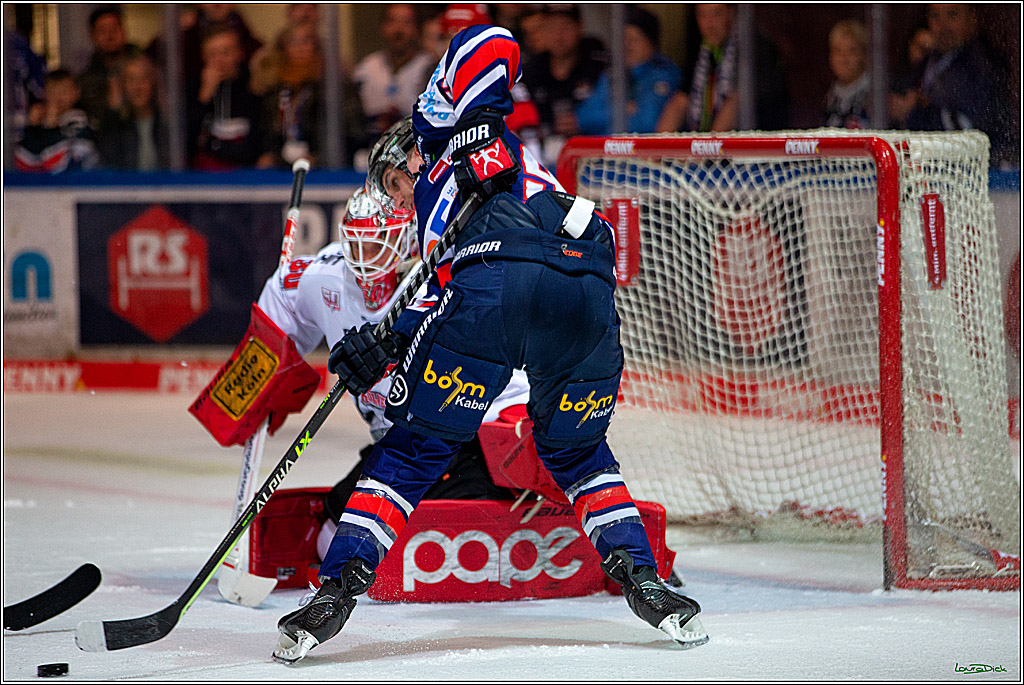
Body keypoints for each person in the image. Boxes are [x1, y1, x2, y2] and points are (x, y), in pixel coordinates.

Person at [272, 21, 707, 664]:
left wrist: (461, 109)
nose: (404, 180)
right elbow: (450, 291)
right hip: (585, 276)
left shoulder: (444, 132)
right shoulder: (450, 205)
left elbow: (493, 40)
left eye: (403, 171)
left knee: (415, 448)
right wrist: (384, 344)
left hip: (506, 279)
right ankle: (643, 578)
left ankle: (337, 589)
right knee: (581, 454)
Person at [655, 3, 789, 133]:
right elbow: (681, 100)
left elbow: (737, 100)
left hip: (755, 143)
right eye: (702, 15)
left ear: (732, 13)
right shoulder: (702, 50)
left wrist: (706, 152)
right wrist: (656, 150)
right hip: (710, 146)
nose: (709, 24)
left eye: (716, 14)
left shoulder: (753, 45)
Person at [900, 4, 1008, 162]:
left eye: (952, 15)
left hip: (981, 170)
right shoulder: (926, 63)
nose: (943, 25)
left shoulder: (982, 64)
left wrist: (914, 111)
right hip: (933, 166)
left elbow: (970, 129)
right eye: (935, 16)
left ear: (971, 18)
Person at [512, 4, 607, 167]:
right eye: (552, 27)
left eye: (566, 27)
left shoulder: (599, 65)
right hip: (541, 159)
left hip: (595, 159)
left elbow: (621, 110)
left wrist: (582, 120)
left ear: (580, 28)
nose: (559, 35)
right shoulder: (528, 71)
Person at [575, 6, 681, 135]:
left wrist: (606, 112)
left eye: (635, 39)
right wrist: (622, 109)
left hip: (642, 153)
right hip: (605, 152)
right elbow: (583, 119)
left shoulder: (665, 75)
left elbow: (647, 123)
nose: (627, 45)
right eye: (624, 38)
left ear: (651, 43)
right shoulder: (612, 74)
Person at [353, 4, 434, 152]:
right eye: (392, 21)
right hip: (368, 152)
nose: (398, 30)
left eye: (406, 22)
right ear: (382, 26)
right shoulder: (366, 69)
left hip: (414, 152)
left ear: (417, 28)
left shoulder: (429, 68)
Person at [187, 26, 265, 169]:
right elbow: (186, 143)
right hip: (204, 176)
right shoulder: (193, 88)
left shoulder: (255, 87)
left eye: (225, 52)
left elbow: (257, 145)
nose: (219, 60)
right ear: (203, 56)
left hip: (246, 174)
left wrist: (213, 146)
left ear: (239, 53)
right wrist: (204, 97)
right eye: (212, 54)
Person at [254, 22, 325, 168]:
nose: (300, 48)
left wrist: (318, 157)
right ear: (283, 48)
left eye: (306, 41)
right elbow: (263, 132)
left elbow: (347, 134)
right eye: (293, 42)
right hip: (278, 166)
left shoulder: (328, 87)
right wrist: (270, 155)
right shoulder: (272, 88)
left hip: (320, 167)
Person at [15, 69, 100, 173]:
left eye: (64, 91)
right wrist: (32, 128)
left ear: (76, 92)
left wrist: (51, 127)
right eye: (53, 91)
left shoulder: (81, 122)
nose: (58, 97)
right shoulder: (41, 123)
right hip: (43, 188)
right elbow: (24, 166)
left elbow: (58, 168)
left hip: (81, 186)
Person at [95, 54, 168, 170]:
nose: (138, 87)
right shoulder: (116, 125)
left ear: (153, 84)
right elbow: (107, 162)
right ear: (122, 86)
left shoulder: (166, 123)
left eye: (143, 79)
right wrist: (112, 111)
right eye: (131, 80)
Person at [76, 6, 143, 129]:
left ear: (124, 30)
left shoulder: (145, 68)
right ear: (93, 35)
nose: (110, 35)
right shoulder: (85, 82)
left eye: (114, 28)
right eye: (103, 30)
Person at [822, 19, 870, 129]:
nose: (844, 59)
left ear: (864, 55)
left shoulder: (875, 94)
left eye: (852, 51)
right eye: (838, 51)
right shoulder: (830, 97)